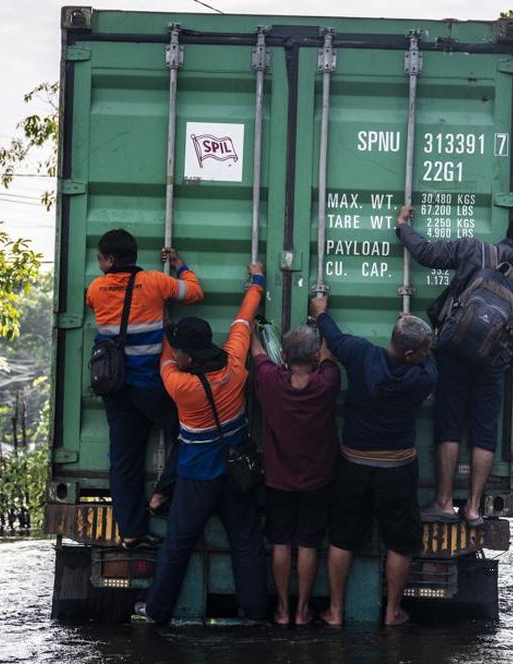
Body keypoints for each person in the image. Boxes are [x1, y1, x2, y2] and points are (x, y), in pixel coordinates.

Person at [396, 207, 513, 526]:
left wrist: (402, 228)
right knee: (485, 431)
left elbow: (425, 253)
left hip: (453, 351)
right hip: (493, 361)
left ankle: (443, 502)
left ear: (508, 230)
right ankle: (475, 509)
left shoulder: (472, 249)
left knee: (448, 422)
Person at [140, 262, 270, 625]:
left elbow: (166, 356)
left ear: (189, 357)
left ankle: (156, 610)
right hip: (236, 471)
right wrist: (256, 282)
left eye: (181, 349)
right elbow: (244, 321)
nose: (176, 354)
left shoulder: (180, 385)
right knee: (246, 542)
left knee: (178, 544)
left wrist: (162, 313)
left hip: (197, 476)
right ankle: (257, 611)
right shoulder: (234, 365)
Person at [309, 295, 437, 627]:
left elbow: (334, 338)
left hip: (354, 465)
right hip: (397, 469)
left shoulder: (361, 355)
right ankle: (392, 612)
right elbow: (428, 361)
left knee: (342, 536)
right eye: (423, 349)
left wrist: (320, 313)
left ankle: (335, 611)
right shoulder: (422, 378)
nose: (426, 353)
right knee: (401, 541)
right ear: (410, 355)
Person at [85, 229, 203, 549]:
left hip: (115, 388)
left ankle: (132, 532)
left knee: (124, 462)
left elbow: (94, 303)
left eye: (99, 258)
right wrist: (178, 264)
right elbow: (194, 292)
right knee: (190, 434)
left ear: (110, 260)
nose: (99, 264)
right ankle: (162, 494)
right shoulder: (155, 282)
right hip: (152, 387)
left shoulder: (96, 288)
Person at [251, 325, 341, 625]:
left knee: (280, 542)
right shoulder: (327, 382)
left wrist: (250, 327)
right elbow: (329, 354)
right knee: (308, 544)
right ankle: (302, 610)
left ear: (285, 357)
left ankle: (282, 609)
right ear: (314, 357)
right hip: (318, 480)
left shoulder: (270, 380)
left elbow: (257, 353)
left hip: (278, 479)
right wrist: (322, 317)